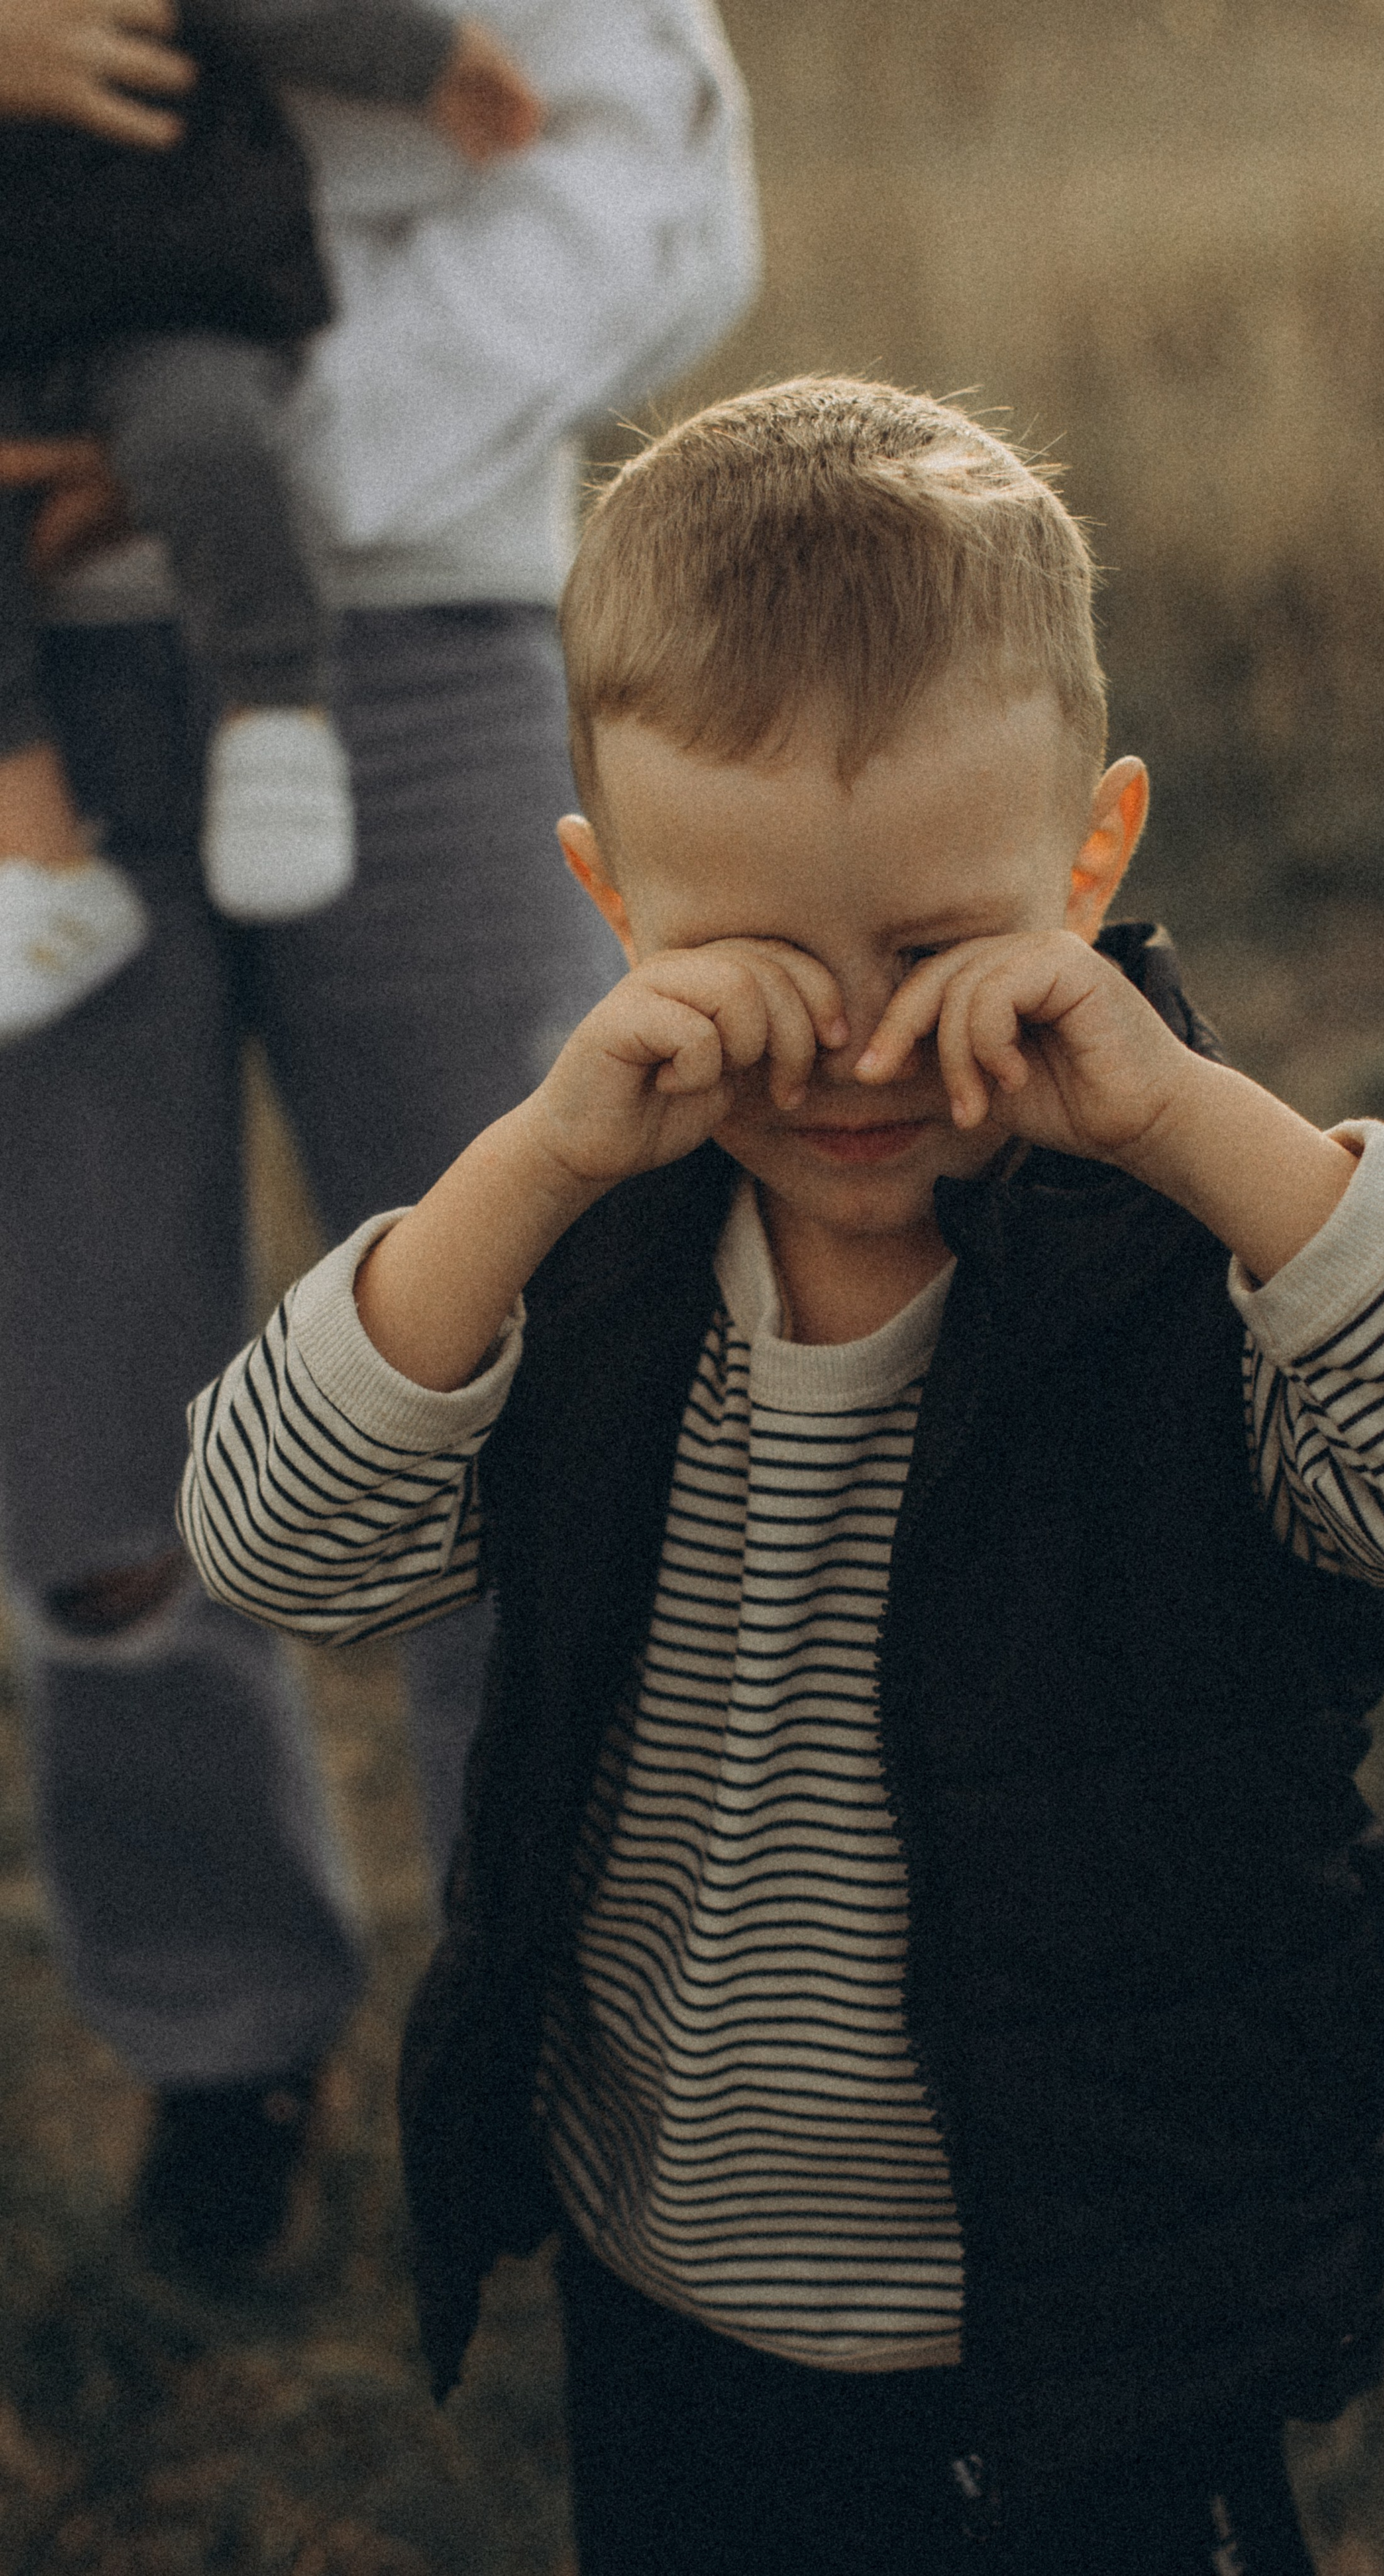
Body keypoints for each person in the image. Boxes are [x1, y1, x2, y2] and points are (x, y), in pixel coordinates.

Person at [178, 380, 1384, 2573]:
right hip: (661, 2274)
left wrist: (1192, 1126)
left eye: (934, 946)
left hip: (1089, 2306)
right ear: (608, 906)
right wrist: (523, 1169)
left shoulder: (1199, 1280)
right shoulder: (586, 1266)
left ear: (1092, 861)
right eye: (760, 960)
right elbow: (271, 1546)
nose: (862, 1047)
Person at [0, 0, 758, 2279]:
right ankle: (222, 2040)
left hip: (412, 625)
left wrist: (248, 449)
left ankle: (556, 2044)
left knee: (525, 1373)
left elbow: (646, 173)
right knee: (80, 1428)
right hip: (16, 660)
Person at [0, 1, 549, 1042]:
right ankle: (34, 852)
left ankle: (277, 720)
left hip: (175, 288)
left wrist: (419, 54)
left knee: (204, 438)